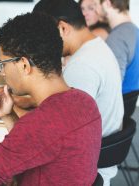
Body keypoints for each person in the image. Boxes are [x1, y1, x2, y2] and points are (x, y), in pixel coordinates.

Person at [0, 12, 102, 186]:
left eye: (2, 64)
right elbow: (33, 149)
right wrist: (9, 116)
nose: (2, 72)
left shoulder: (43, 123)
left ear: (24, 65)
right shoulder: (85, 102)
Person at [32, 0, 124, 185]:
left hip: (86, 170)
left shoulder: (82, 65)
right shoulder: (97, 47)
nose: (44, 45)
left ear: (62, 28)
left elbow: (59, 134)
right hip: (100, 156)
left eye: (44, 36)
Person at [99, 0, 139, 118]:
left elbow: (112, 84)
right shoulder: (134, 30)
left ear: (107, 4)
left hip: (116, 108)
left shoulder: (117, 37)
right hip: (129, 102)